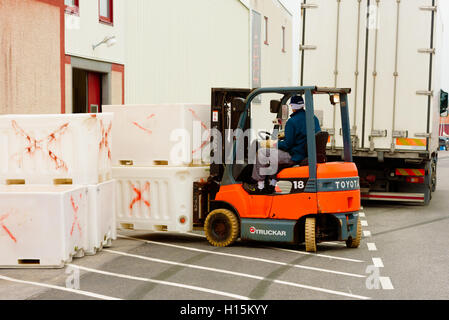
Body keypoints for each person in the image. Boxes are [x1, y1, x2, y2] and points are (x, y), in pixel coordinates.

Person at [243, 95, 321, 194]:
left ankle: (259, 185)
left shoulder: (291, 122)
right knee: (274, 156)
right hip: (305, 153)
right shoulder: (313, 118)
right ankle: (272, 183)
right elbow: (305, 134)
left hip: (295, 156)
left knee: (262, 153)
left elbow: (287, 145)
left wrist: (273, 143)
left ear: (292, 107)